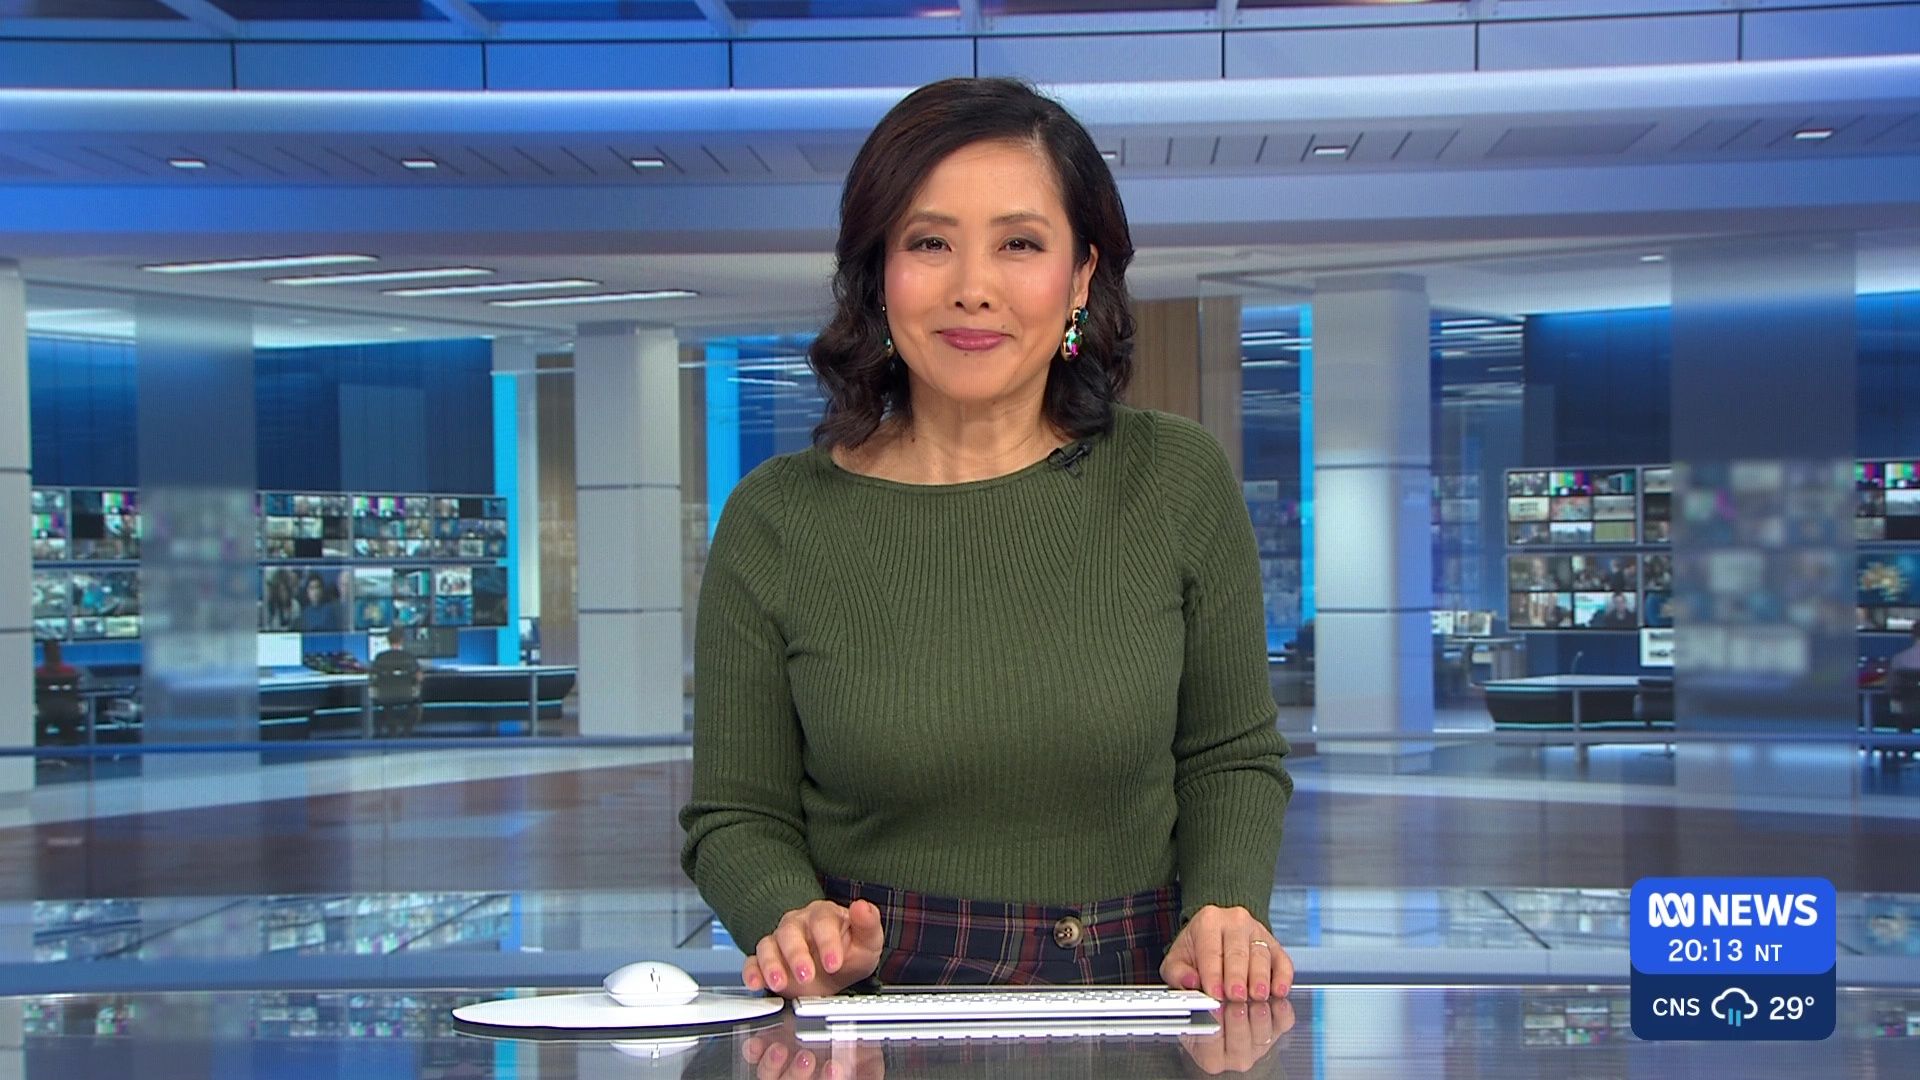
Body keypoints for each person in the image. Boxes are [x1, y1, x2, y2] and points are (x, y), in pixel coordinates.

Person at [679, 77, 1294, 1006]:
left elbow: (1229, 756)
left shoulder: (1175, 479)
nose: (972, 289)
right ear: (877, 274)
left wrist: (1227, 905)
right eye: (929, 243)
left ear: (1080, 277)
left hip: (1141, 1001)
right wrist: (795, 922)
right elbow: (736, 813)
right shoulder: (776, 518)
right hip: (872, 1013)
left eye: (1019, 244)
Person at [368, 629, 424, 737]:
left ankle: (392, 728)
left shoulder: (380, 657)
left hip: (384, 696)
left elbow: (372, 677)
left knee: (387, 702)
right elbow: (420, 677)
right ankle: (406, 731)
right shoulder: (409, 656)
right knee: (415, 702)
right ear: (402, 640)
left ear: (388, 640)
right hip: (407, 695)